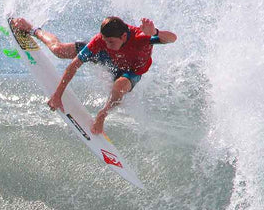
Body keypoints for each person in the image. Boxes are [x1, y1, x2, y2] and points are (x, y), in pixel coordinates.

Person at [11, 16, 177, 135]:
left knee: (119, 86)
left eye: (111, 41)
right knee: (59, 50)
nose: (106, 44)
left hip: (131, 71)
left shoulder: (141, 37)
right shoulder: (101, 42)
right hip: (107, 58)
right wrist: (57, 95)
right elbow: (73, 66)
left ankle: (102, 115)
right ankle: (33, 30)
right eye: (104, 40)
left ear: (124, 36)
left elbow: (172, 38)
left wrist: (155, 31)